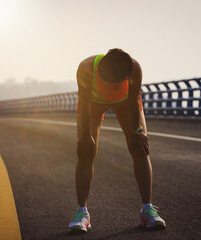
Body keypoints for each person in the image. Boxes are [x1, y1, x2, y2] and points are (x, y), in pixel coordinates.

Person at [68, 48, 166, 232]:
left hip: (125, 103)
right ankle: (82, 213)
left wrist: (137, 132)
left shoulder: (134, 68)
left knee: (140, 148)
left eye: (117, 83)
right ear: (99, 73)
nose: (113, 88)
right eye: (109, 83)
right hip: (94, 105)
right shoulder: (87, 68)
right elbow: (85, 102)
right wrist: (85, 136)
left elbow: (134, 100)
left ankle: (147, 210)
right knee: (86, 151)